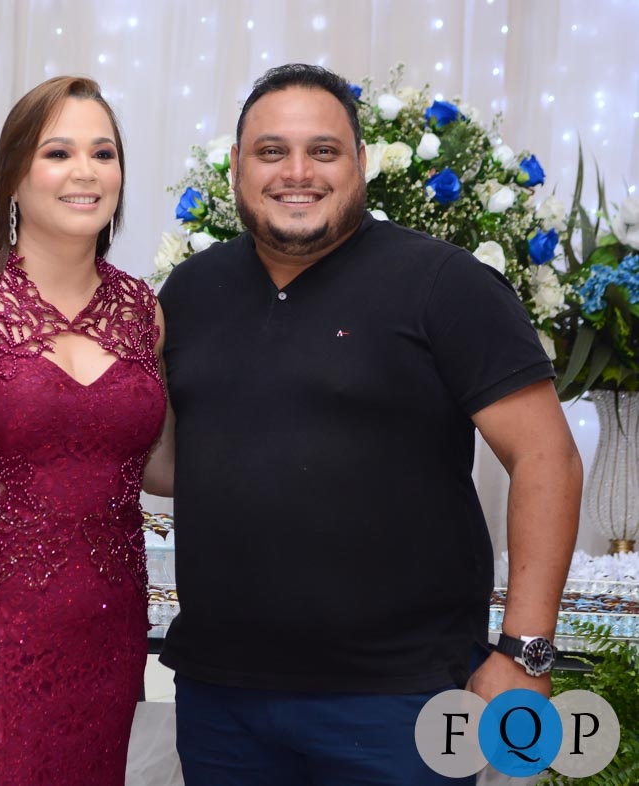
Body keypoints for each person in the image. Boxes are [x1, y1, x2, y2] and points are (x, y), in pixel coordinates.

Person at [149, 64, 583, 785]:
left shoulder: (445, 283)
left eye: (323, 150)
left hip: (401, 701)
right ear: (236, 169)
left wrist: (524, 652)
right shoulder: (191, 290)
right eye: (271, 151)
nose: (297, 172)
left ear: (361, 163)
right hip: (221, 699)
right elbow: (172, 463)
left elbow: (547, 458)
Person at [0, 76, 167, 785]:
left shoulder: (143, 310)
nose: (86, 171)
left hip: (108, 638)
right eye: (58, 152)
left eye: (103, 153)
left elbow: (161, 466)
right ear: (13, 176)